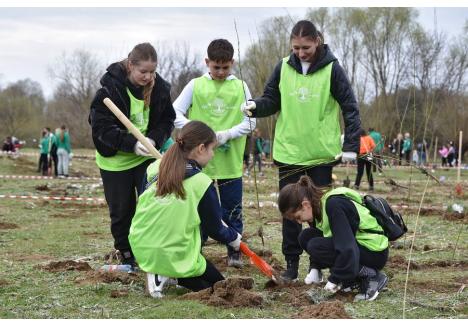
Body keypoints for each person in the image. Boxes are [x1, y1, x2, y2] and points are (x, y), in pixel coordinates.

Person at [240, 20, 361, 281]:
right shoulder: (283, 67)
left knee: (319, 213)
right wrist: (255, 107)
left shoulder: (332, 69)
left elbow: (350, 106)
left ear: (317, 41)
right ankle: (292, 265)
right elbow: (272, 99)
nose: (300, 52)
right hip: (289, 153)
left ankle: (316, 266)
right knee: (291, 211)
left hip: (320, 154)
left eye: (305, 47)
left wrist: (351, 145)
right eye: (296, 47)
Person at [89, 42, 175, 268]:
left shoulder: (160, 89)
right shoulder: (108, 91)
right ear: (130, 65)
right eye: (143, 71)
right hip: (115, 161)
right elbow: (101, 129)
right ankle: (126, 254)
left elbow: (168, 119)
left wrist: (155, 138)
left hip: (147, 158)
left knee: (152, 205)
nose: (148, 77)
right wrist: (131, 144)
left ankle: (151, 249)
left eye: (152, 71)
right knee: (121, 211)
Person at [129, 121, 241, 293]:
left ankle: (161, 271)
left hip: (141, 245)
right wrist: (233, 238)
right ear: (201, 148)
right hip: (173, 252)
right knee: (216, 288)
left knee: (219, 282)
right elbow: (215, 229)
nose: (212, 155)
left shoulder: (153, 168)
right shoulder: (202, 183)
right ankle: (164, 272)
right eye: (212, 149)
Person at [173, 39, 255, 268]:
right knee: (199, 207)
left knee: (232, 208)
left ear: (232, 63)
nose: (220, 72)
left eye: (225, 67)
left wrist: (226, 134)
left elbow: (250, 122)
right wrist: (197, 132)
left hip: (230, 161)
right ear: (207, 62)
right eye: (215, 67)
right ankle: (195, 249)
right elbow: (175, 112)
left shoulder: (240, 87)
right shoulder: (195, 85)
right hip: (199, 163)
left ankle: (234, 250)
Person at [278, 175, 389, 301]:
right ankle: (351, 279)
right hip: (359, 246)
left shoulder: (333, 205)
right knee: (306, 236)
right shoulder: (318, 207)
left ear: (305, 205)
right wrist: (315, 268)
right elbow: (330, 237)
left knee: (316, 245)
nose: (298, 222)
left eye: (298, 217)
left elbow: (347, 248)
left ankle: (372, 276)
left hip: (374, 251)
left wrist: (334, 280)